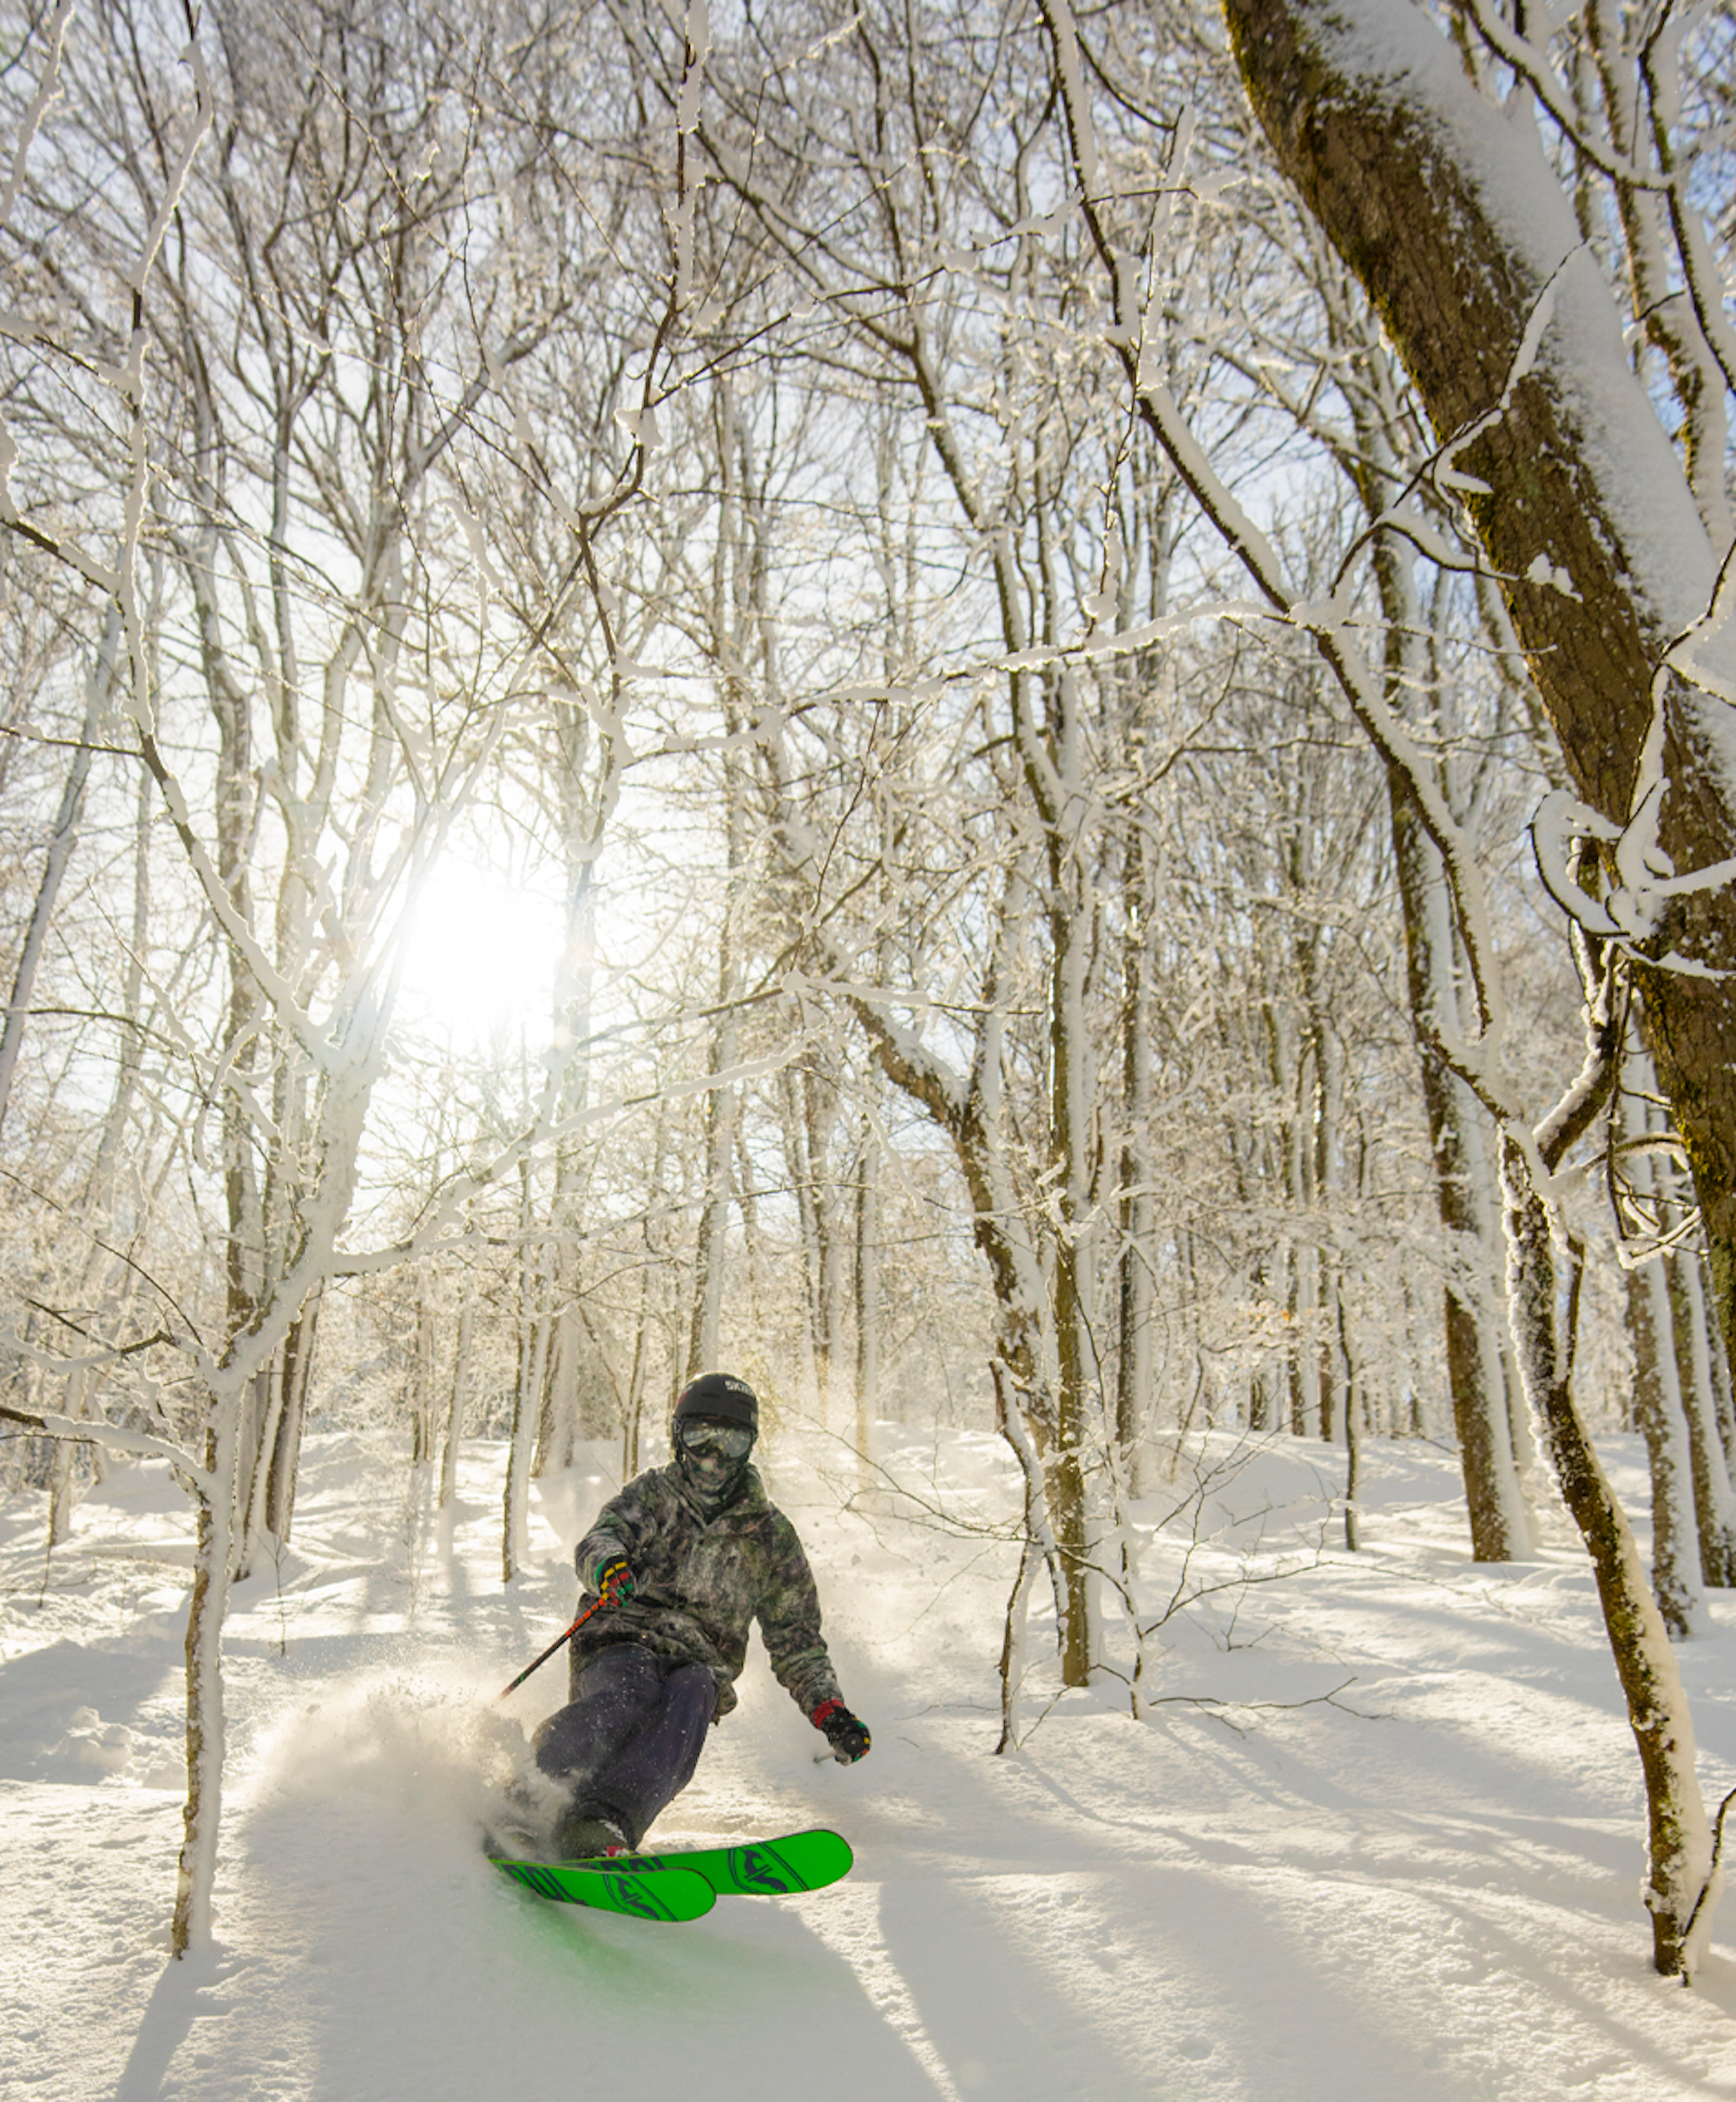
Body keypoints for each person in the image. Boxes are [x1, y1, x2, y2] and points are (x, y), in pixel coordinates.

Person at [528, 1370, 871, 1859]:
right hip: (622, 1636)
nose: (712, 1456)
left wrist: (829, 1710)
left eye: (729, 1441)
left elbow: (796, 1639)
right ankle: (529, 1791)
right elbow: (601, 1538)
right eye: (700, 1436)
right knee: (634, 1691)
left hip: (701, 1661)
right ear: (678, 1438)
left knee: (691, 1697)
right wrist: (610, 1567)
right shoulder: (655, 1496)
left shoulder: (769, 1536)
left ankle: (603, 1819)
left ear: (748, 1448)